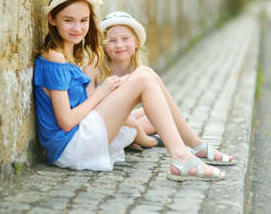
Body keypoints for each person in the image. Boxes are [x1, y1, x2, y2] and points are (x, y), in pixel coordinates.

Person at [33, 0, 229, 181]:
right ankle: (182, 155)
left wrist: (119, 88)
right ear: (52, 18)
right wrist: (103, 93)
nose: (77, 27)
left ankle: (194, 145)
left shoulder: (69, 54)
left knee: (146, 74)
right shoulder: (54, 57)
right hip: (69, 146)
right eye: (68, 20)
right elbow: (66, 122)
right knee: (143, 78)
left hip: (79, 136)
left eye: (84, 20)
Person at [83, 11, 236, 164]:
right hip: (104, 125)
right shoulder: (94, 66)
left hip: (124, 120)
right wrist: (137, 129)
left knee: (160, 111)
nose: (119, 45)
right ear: (103, 45)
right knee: (141, 116)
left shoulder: (135, 69)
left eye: (125, 39)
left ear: (136, 43)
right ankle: (155, 141)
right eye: (112, 40)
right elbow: (89, 110)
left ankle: (192, 142)